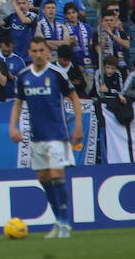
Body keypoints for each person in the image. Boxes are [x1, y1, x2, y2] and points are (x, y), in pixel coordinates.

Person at [8, 37, 83, 238]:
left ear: (48, 52)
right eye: (34, 50)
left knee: (57, 175)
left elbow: (74, 98)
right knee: (43, 178)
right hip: (36, 136)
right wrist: (13, 127)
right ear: (30, 53)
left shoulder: (56, 74)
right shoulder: (23, 76)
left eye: (42, 50)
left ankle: (65, 223)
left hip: (57, 134)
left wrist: (78, 125)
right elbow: (18, 103)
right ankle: (58, 220)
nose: (38, 54)